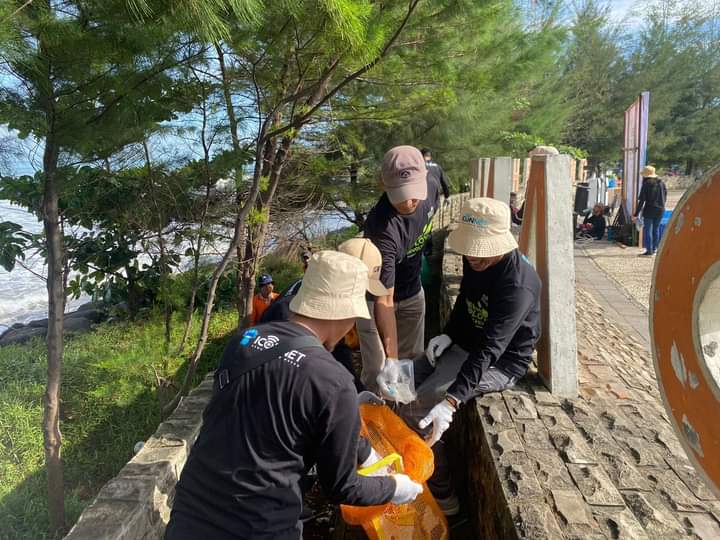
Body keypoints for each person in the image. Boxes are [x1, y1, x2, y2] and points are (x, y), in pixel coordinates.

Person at [165, 251, 423, 540]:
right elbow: (341, 487)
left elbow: (277, 411)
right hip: (259, 527)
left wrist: (363, 451)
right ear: (346, 313)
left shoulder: (243, 342)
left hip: (190, 516)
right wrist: (395, 488)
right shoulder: (334, 381)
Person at [395, 197, 541, 515]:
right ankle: (411, 464)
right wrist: (447, 334)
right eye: (470, 249)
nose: (473, 257)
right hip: (465, 343)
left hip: (500, 362)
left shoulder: (517, 284)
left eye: (481, 250)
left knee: (421, 408)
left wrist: (450, 402)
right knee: (400, 383)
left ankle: (442, 494)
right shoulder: (477, 260)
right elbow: (465, 299)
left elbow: (492, 348)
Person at [359, 145, 440, 394]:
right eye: (400, 194)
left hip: (413, 291)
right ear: (384, 185)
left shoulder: (434, 181)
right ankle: (372, 422)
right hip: (378, 302)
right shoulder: (382, 229)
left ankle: (404, 415)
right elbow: (385, 300)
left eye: (414, 192)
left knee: (412, 363)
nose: (408, 201)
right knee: (378, 370)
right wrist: (391, 359)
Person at [259, 238, 389, 392]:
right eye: (360, 289)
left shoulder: (324, 299)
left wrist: (359, 393)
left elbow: (340, 354)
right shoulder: (288, 315)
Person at [633, 165, 667, 255]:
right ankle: (655, 249)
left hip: (649, 209)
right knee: (656, 229)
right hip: (661, 209)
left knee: (648, 230)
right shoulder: (661, 183)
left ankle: (649, 250)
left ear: (645, 175)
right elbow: (665, 195)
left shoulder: (646, 184)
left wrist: (636, 213)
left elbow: (642, 201)